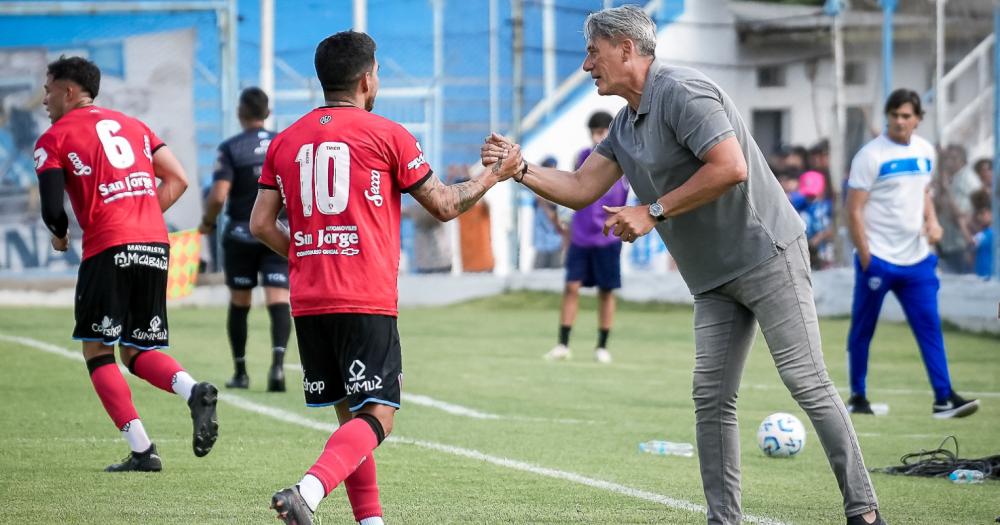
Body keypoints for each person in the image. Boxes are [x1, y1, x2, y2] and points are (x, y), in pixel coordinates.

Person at [481, 6, 882, 525]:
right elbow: (580, 189)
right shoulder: (625, 126)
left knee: (806, 381)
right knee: (711, 400)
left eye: (592, 53)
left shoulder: (682, 91)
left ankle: (865, 511)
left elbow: (731, 167)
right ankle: (724, 520)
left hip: (768, 255)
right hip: (713, 280)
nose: (585, 66)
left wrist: (651, 211)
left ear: (626, 48)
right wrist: (522, 169)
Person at [249, 31, 522, 525]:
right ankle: (306, 493)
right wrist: (492, 177)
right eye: (377, 71)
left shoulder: (285, 140)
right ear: (366, 78)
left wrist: (311, 252)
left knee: (350, 423)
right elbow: (443, 203)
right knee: (379, 416)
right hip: (362, 296)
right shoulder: (388, 134)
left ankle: (370, 522)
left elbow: (260, 224)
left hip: (309, 300)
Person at [34, 56, 219, 472]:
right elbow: (179, 179)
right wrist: (140, 215)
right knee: (138, 349)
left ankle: (142, 450)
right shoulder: (134, 126)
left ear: (68, 91)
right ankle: (193, 390)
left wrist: (60, 235)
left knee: (98, 351)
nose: (44, 100)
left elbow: (52, 209)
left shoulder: (54, 138)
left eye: (48, 90)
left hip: (108, 247)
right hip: (154, 243)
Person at [844, 88, 979, 420]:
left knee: (929, 327)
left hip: (918, 261)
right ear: (887, 117)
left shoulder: (925, 151)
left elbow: (923, 193)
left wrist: (932, 223)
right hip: (879, 260)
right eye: (894, 115)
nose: (899, 121)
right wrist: (867, 258)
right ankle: (858, 396)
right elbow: (853, 210)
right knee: (863, 329)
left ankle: (944, 398)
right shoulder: (870, 156)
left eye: (906, 116)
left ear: (918, 119)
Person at [199, 87, 290, 392]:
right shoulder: (283, 143)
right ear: (267, 113)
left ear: (240, 113)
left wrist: (208, 223)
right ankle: (277, 369)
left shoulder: (230, 148)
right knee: (278, 298)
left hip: (241, 234)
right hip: (278, 231)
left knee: (240, 302)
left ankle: (241, 371)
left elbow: (218, 194)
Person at [545, 111, 629, 364]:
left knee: (606, 291)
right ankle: (562, 343)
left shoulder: (625, 160)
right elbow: (573, 188)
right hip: (581, 236)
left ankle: (602, 346)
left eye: (602, 131)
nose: (598, 136)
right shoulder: (583, 157)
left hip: (608, 236)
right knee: (571, 287)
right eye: (595, 131)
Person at [532, 156, 566, 269]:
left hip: (556, 243)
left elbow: (558, 220)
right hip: (541, 243)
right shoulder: (538, 192)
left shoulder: (558, 192)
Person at [798, 170, 834, 269]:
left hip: (825, 252)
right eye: (807, 194)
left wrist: (820, 237)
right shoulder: (800, 206)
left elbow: (834, 228)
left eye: (813, 194)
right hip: (806, 251)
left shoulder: (827, 206)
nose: (810, 197)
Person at [970, 189, 994, 280]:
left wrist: (962, 224)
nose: (979, 217)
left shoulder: (988, 234)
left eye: (983, 213)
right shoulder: (983, 233)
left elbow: (972, 242)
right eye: (978, 214)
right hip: (982, 276)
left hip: (988, 276)